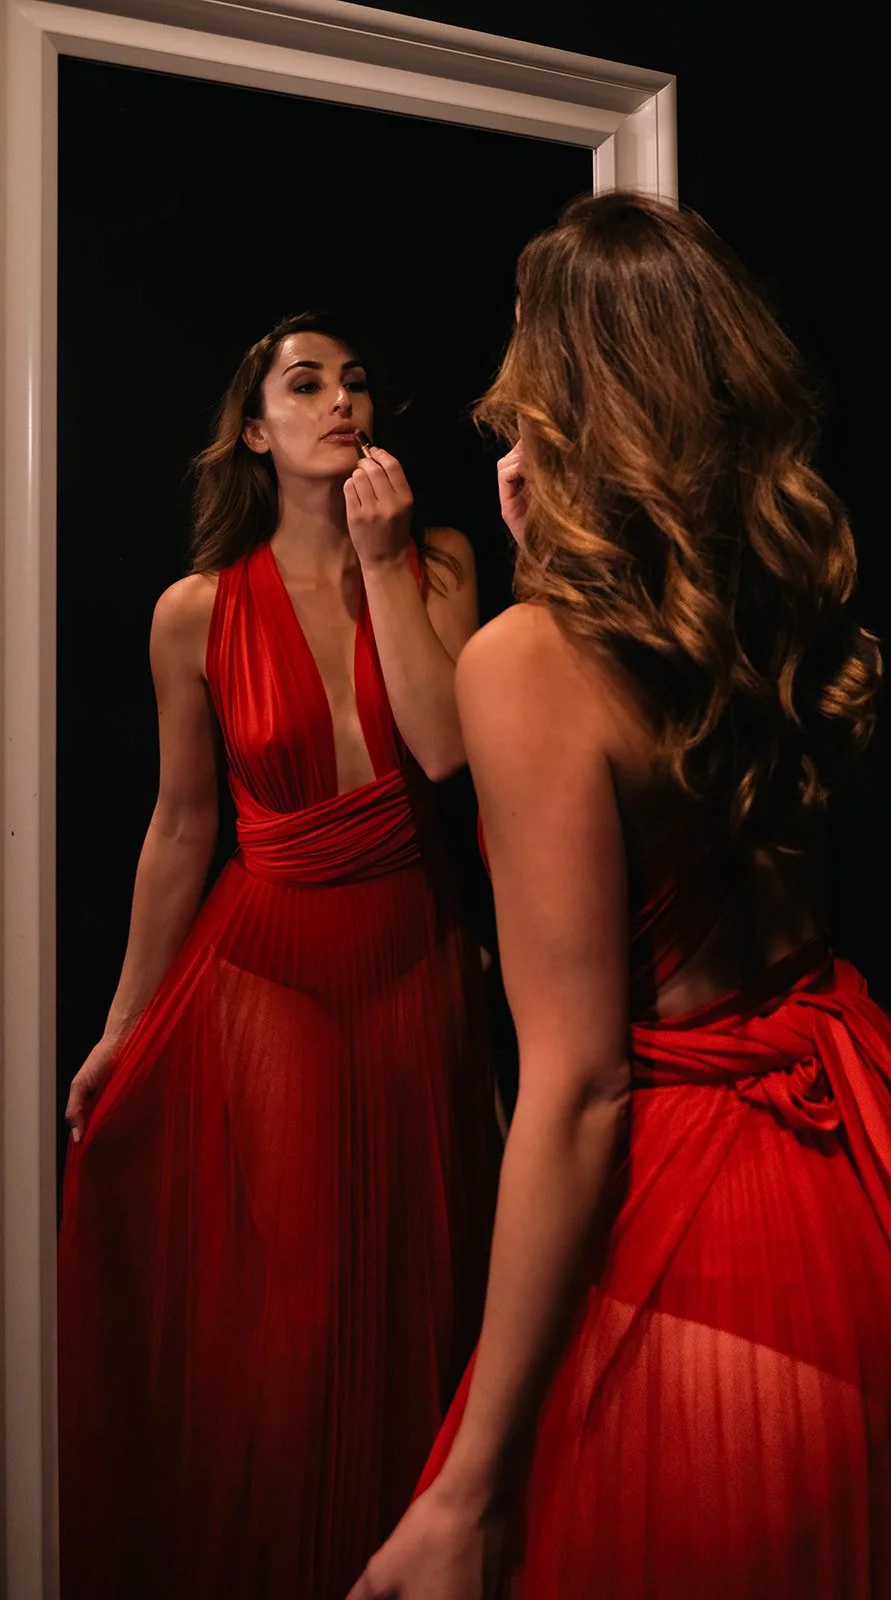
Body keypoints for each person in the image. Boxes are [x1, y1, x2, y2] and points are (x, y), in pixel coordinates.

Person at [350, 195, 891, 1599]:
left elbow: (578, 1088)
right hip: (868, 1184)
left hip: (702, 1247)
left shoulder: (525, 660)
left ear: (562, 386)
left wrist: (466, 1488)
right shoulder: (777, 606)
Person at [58, 311, 500, 1599]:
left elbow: (446, 751)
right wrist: (122, 1026)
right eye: (306, 385)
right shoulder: (193, 613)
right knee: (304, 1314)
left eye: (357, 382)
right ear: (255, 431)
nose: (340, 401)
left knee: (430, 1292)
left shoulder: (443, 562)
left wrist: (386, 556)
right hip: (272, 972)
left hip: (419, 952)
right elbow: (183, 826)